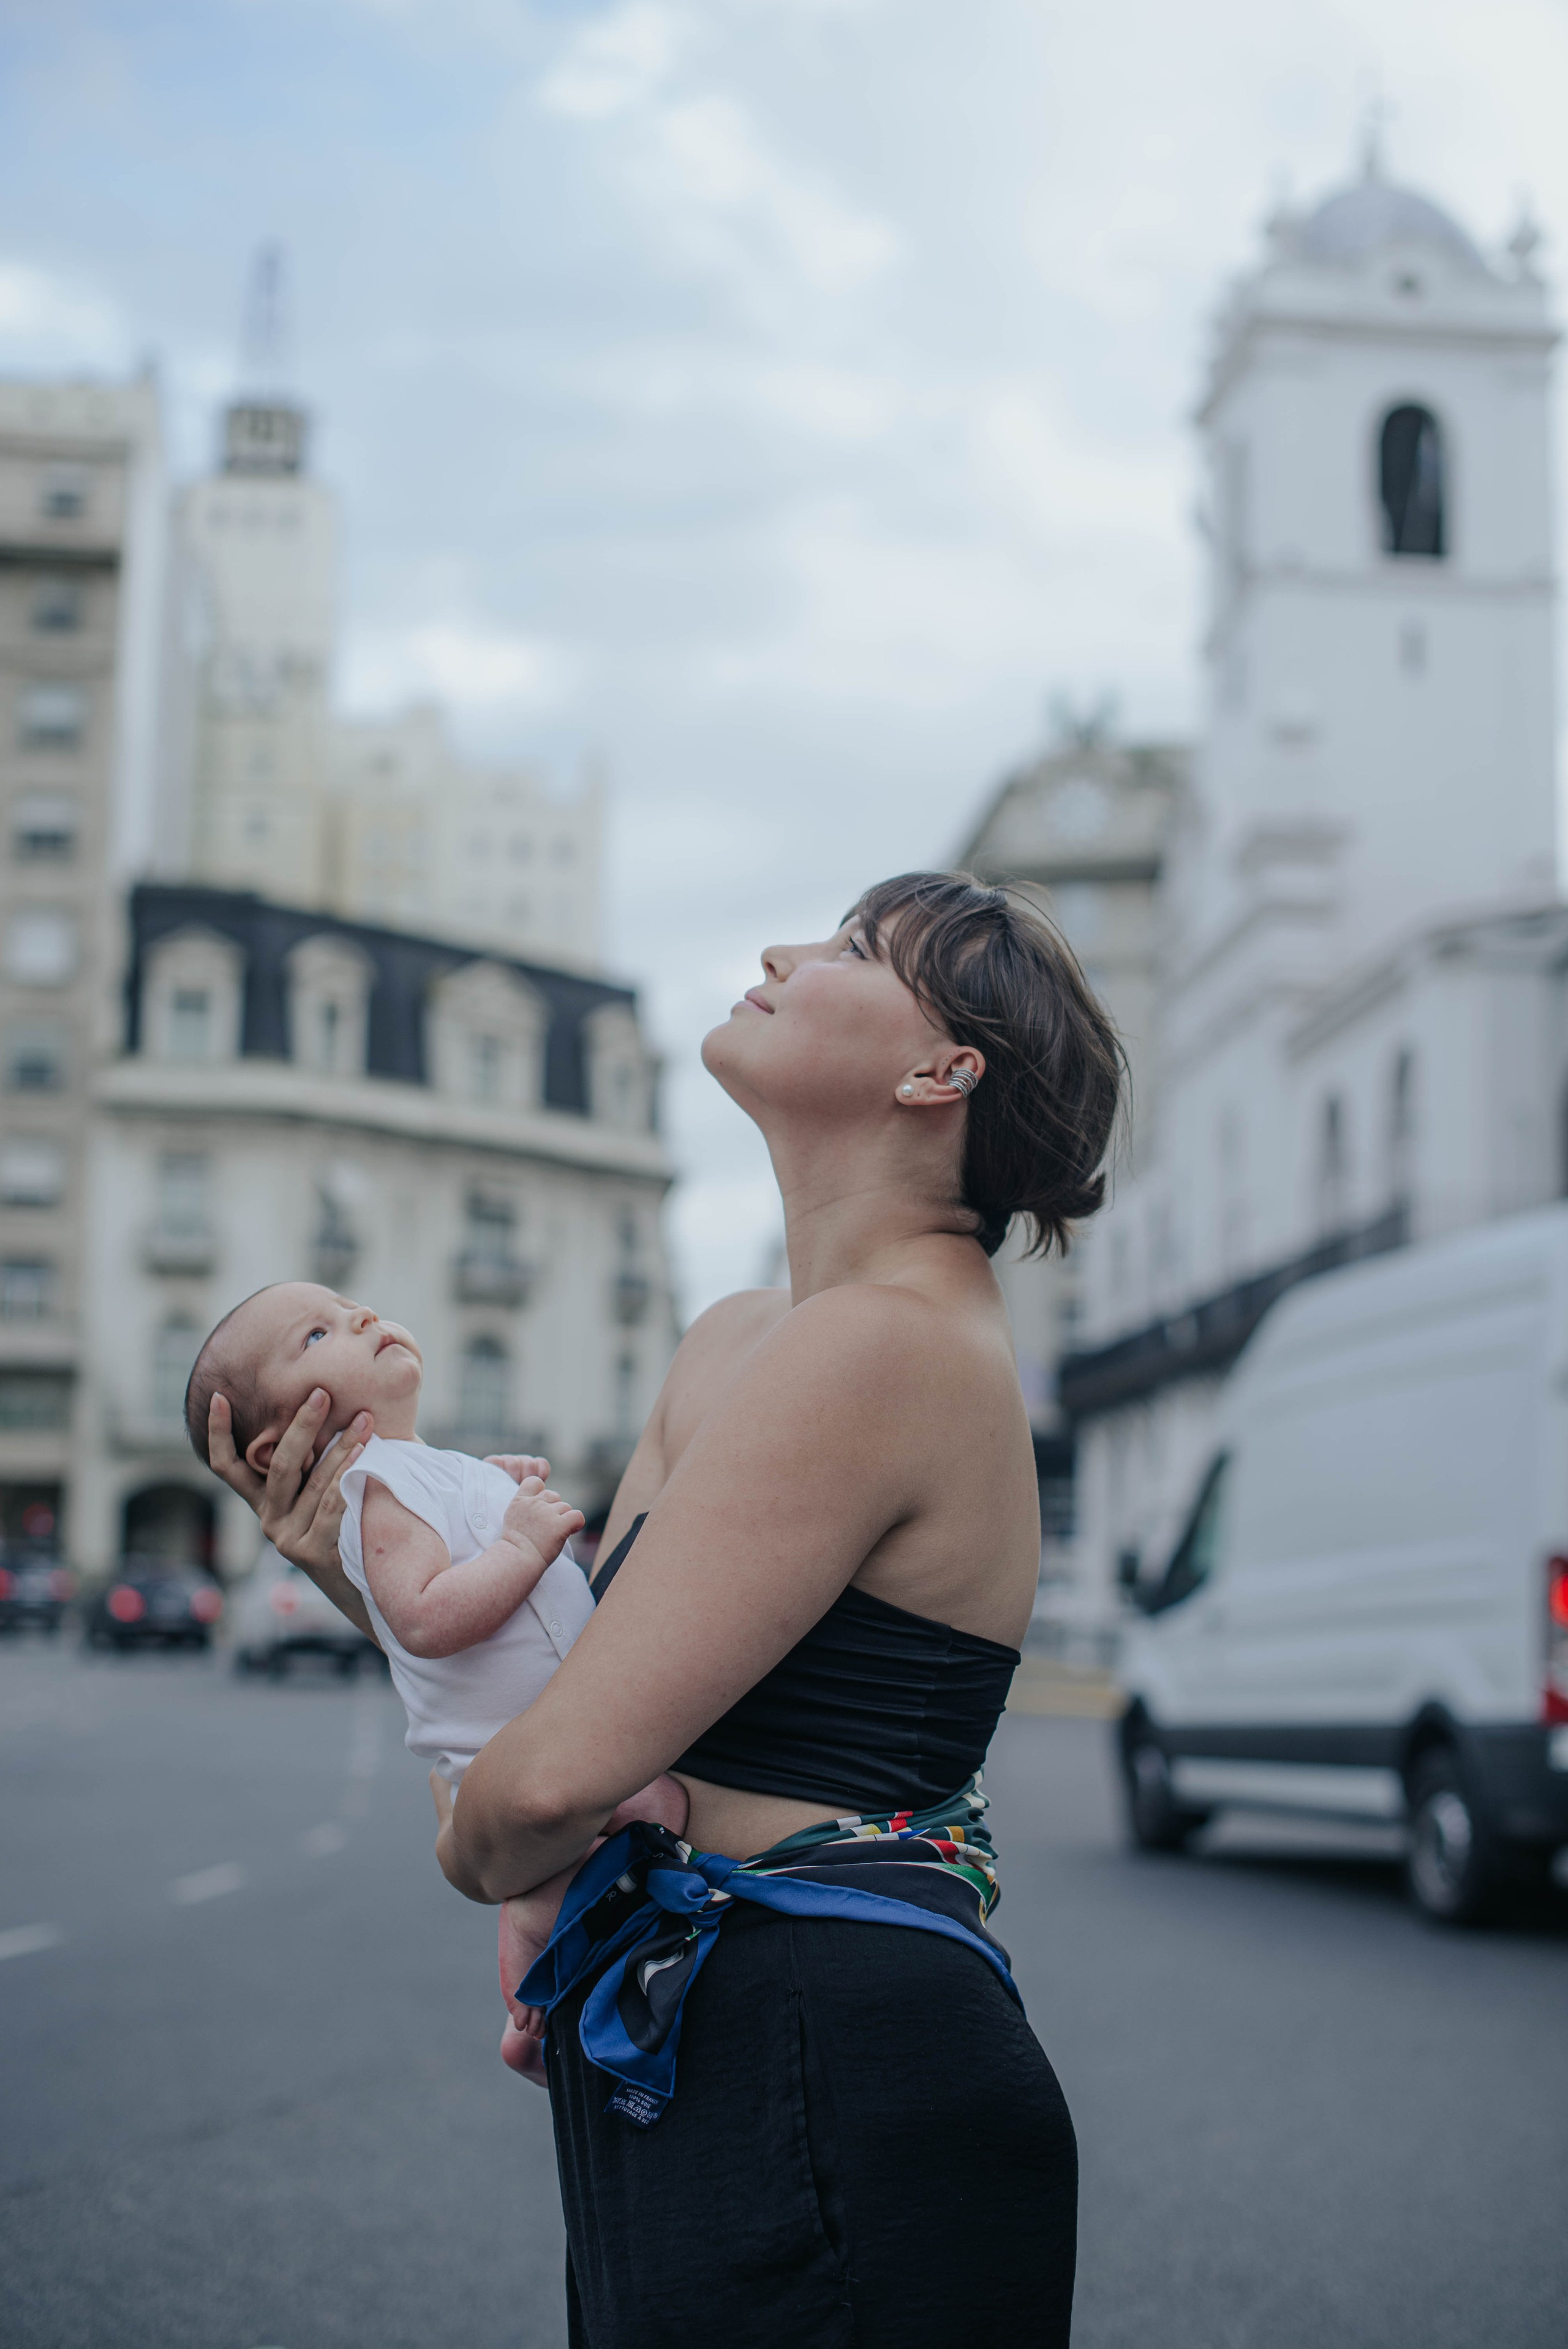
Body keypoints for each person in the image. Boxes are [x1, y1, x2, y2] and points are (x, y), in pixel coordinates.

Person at [211, 870, 1123, 2348]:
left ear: (934, 1072)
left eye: (847, 948)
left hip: (834, 2060)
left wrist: (482, 1839)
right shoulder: (736, 1334)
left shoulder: (881, 1343)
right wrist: (356, 1556)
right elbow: (564, 1662)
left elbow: (552, 1776)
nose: (777, 950)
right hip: (706, 2041)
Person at [188, 1282, 687, 2062]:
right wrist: (520, 1546)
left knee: (649, 1828)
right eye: (315, 1335)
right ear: (280, 1441)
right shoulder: (379, 1489)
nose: (360, 1316)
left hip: (561, 1732)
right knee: (637, 1829)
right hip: (515, 1749)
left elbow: (455, 1541)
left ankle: (565, 1993)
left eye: (350, 1306)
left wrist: (499, 1488)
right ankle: (544, 1983)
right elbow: (421, 1618)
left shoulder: (427, 1468)